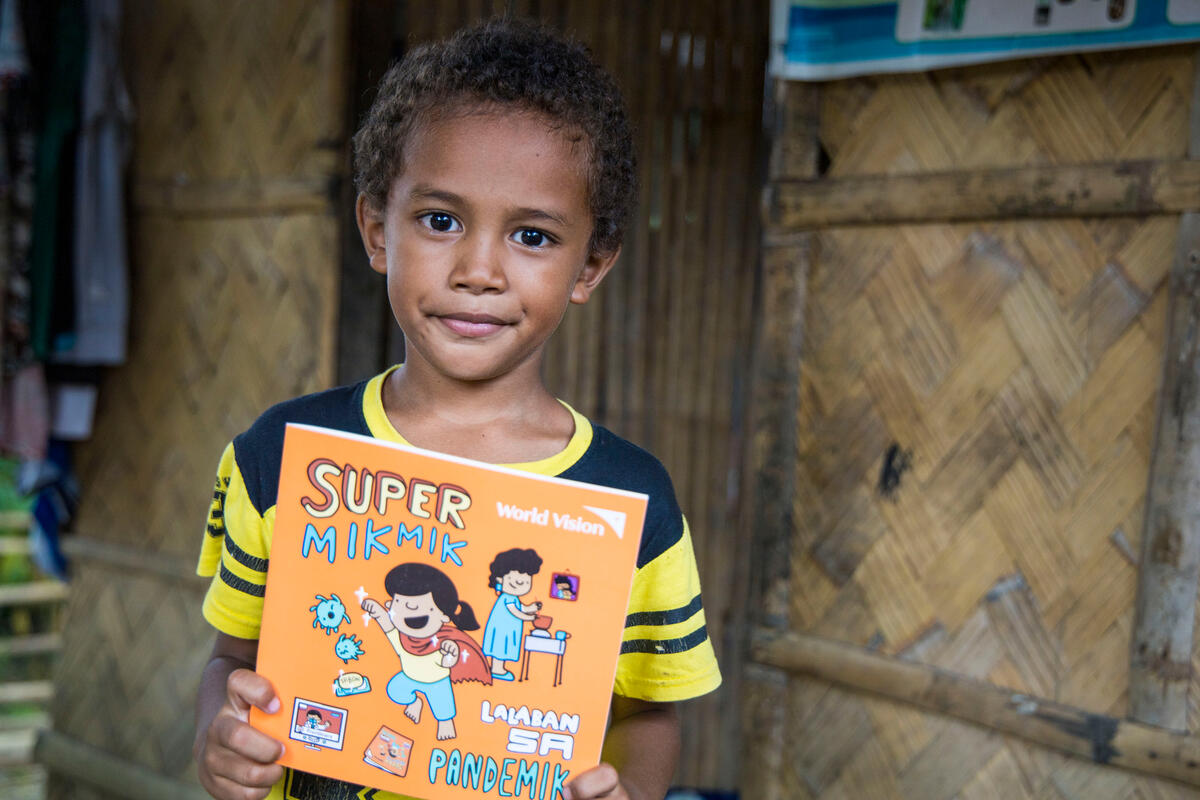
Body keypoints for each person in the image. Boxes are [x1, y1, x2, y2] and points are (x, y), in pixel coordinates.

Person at [193, 17, 721, 800]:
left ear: (591, 265)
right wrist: (222, 736)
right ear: (378, 230)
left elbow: (647, 711)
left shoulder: (632, 499)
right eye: (440, 221)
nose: (479, 269)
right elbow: (233, 660)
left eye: (533, 236)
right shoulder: (281, 456)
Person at [361, 562, 491, 742]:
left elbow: (448, 662)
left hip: (436, 682)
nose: (410, 610)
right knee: (394, 690)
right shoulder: (402, 639)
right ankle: (415, 702)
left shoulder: (442, 642)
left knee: (443, 706)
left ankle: (445, 723)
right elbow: (387, 625)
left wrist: (451, 653)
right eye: (401, 603)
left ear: (445, 616)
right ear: (391, 606)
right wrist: (377, 612)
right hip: (408, 677)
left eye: (422, 607)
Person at [481, 547, 543, 680]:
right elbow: (515, 612)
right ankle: (496, 670)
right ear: (500, 579)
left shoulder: (513, 598)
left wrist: (531, 607)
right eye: (516, 581)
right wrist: (529, 617)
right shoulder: (507, 598)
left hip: (509, 629)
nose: (521, 584)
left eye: (526, 581)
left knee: (504, 648)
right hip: (503, 629)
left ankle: (498, 668)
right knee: (500, 648)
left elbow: (521, 608)